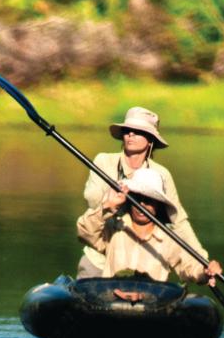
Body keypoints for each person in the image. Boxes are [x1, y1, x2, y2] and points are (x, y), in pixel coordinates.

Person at [77, 106, 204, 278]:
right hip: (100, 253)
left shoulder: (161, 175)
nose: (130, 135)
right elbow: (92, 201)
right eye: (127, 130)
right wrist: (114, 199)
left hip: (141, 257)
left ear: (151, 140)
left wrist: (203, 262)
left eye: (138, 131)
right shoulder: (104, 161)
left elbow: (179, 221)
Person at [76, 168, 222, 285]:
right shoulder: (114, 227)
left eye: (149, 201)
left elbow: (189, 266)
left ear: (159, 205)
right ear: (129, 200)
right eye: (138, 199)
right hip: (111, 304)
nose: (142, 206)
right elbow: (85, 232)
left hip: (151, 309)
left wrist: (205, 271)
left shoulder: (168, 238)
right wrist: (108, 207)